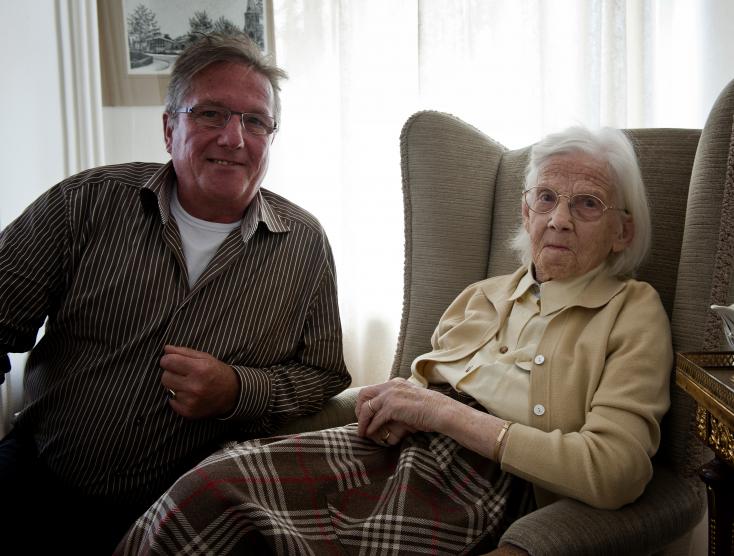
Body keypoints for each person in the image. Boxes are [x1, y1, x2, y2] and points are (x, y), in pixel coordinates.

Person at [116, 126, 672, 555]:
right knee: (205, 487)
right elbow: (422, 386)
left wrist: (437, 412)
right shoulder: (482, 295)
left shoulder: (632, 311)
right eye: (546, 198)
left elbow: (616, 471)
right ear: (525, 211)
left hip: (478, 490)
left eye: (588, 203)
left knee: (227, 511)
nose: (560, 220)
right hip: (394, 458)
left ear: (623, 229)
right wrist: (399, 404)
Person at [0, 33, 350, 552]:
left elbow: (324, 375)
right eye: (211, 114)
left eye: (255, 121)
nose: (234, 138)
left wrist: (238, 390)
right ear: (170, 129)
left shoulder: (304, 245)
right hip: (41, 478)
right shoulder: (84, 204)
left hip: (193, 515)